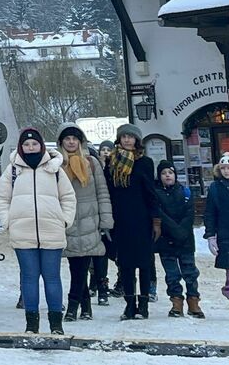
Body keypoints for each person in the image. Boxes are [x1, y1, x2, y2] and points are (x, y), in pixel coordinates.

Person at [0, 128, 77, 335]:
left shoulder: (55, 169)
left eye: (34, 144)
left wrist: (65, 220)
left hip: (52, 231)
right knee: (29, 278)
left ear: (41, 145)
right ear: (21, 147)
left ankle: (55, 324)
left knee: (52, 278)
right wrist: (8, 222)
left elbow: (68, 197)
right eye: (26, 144)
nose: (30, 147)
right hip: (22, 232)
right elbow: (2, 198)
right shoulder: (13, 170)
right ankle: (31, 324)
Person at [58, 123, 112, 323]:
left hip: (89, 218)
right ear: (61, 142)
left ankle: (73, 307)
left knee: (81, 265)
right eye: (67, 139)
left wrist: (106, 220)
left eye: (75, 139)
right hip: (68, 219)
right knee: (76, 264)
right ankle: (86, 306)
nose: (71, 142)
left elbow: (102, 191)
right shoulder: (56, 163)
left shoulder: (91, 162)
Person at [105, 124, 159, 321]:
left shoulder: (144, 162)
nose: (127, 140)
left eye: (131, 137)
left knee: (144, 263)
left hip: (141, 218)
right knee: (125, 265)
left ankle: (143, 305)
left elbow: (150, 192)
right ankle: (129, 304)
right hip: (120, 219)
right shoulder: (111, 162)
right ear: (119, 139)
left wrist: (156, 219)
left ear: (137, 140)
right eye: (124, 137)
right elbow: (108, 192)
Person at [153, 160, 201, 319]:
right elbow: (160, 215)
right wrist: (175, 230)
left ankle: (193, 302)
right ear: (159, 176)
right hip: (166, 241)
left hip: (186, 241)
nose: (167, 176)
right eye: (164, 173)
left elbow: (189, 214)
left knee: (190, 273)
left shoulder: (185, 192)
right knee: (172, 275)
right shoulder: (156, 193)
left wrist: (181, 231)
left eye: (170, 172)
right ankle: (176, 303)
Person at [205, 152, 229, 321]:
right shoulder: (215, 188)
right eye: (223, 168)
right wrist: (211, 236)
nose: (226, 171)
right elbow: (210, 213)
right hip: (226, 236)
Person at [90, 139, 118, 305]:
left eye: (109, 149)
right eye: (103, 149)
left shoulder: (108, 170)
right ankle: (93, 283)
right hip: (88, 215)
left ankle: (102, 284)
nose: (105, 152)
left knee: (102, 253)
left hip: (103, 215)